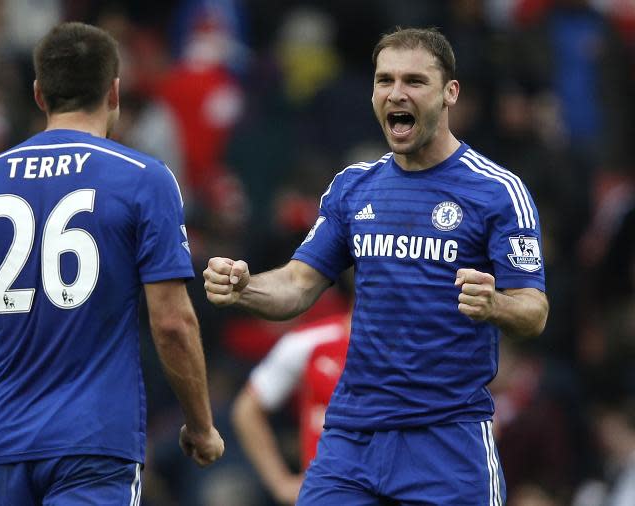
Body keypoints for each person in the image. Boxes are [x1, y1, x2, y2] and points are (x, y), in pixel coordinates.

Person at [204, 27, 548, 505]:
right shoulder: (353, 186)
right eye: (384, 80)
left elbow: (534, 311)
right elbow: (298, 284)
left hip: (446, 440)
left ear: (450, 93)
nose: (396, 93)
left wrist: (495, 305)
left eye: (414, 81)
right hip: (352, 439)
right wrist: (245, 287)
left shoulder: (496, 191)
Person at [0, 22, 224, 504]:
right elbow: (172, 322)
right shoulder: (143, 179)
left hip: (4, 440)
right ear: (113, 92)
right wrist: (201, 424)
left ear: (39, 94)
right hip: (95, 440)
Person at [232, 312, 350, 504]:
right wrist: (281, 484)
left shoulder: (413, 348)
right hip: (327, 495)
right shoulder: (309, 341)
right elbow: (246, 410)